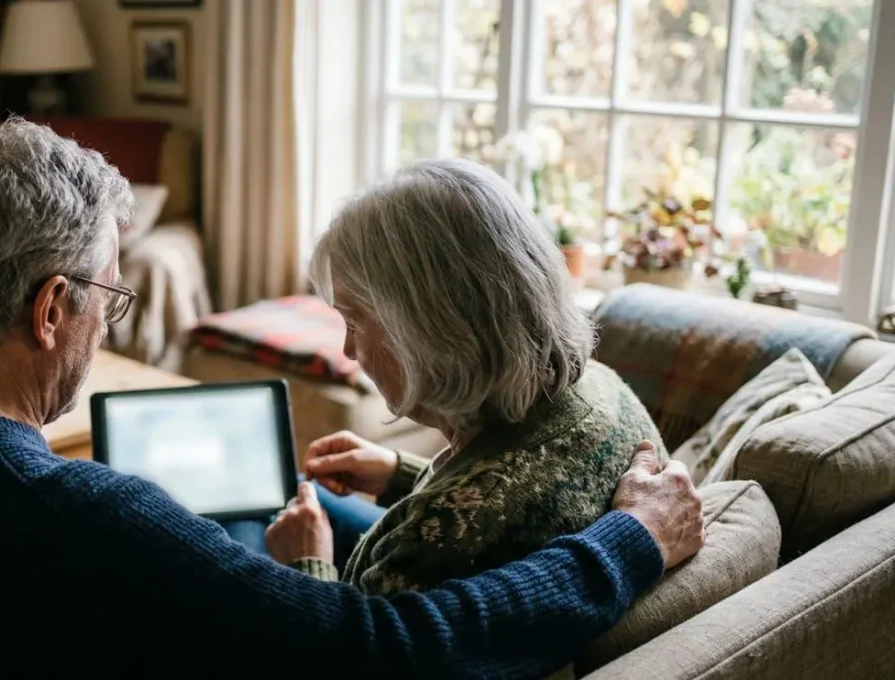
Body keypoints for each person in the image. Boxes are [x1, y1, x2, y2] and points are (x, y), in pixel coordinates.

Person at [0, 118, 704, 679]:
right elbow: (392, 651)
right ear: (53, 309)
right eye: (109, 293)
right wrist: (629, 541)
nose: (109, 322)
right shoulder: (92, 516)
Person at [257, 158, 668, 595]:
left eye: (355, 323)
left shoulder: (429, 545)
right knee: (294, 496)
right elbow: (507, 490)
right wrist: (403, 474)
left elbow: (345, 656)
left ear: (428, 330)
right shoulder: (606, 390)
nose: (349, 349)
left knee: (256, 522)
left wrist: (306, 566)